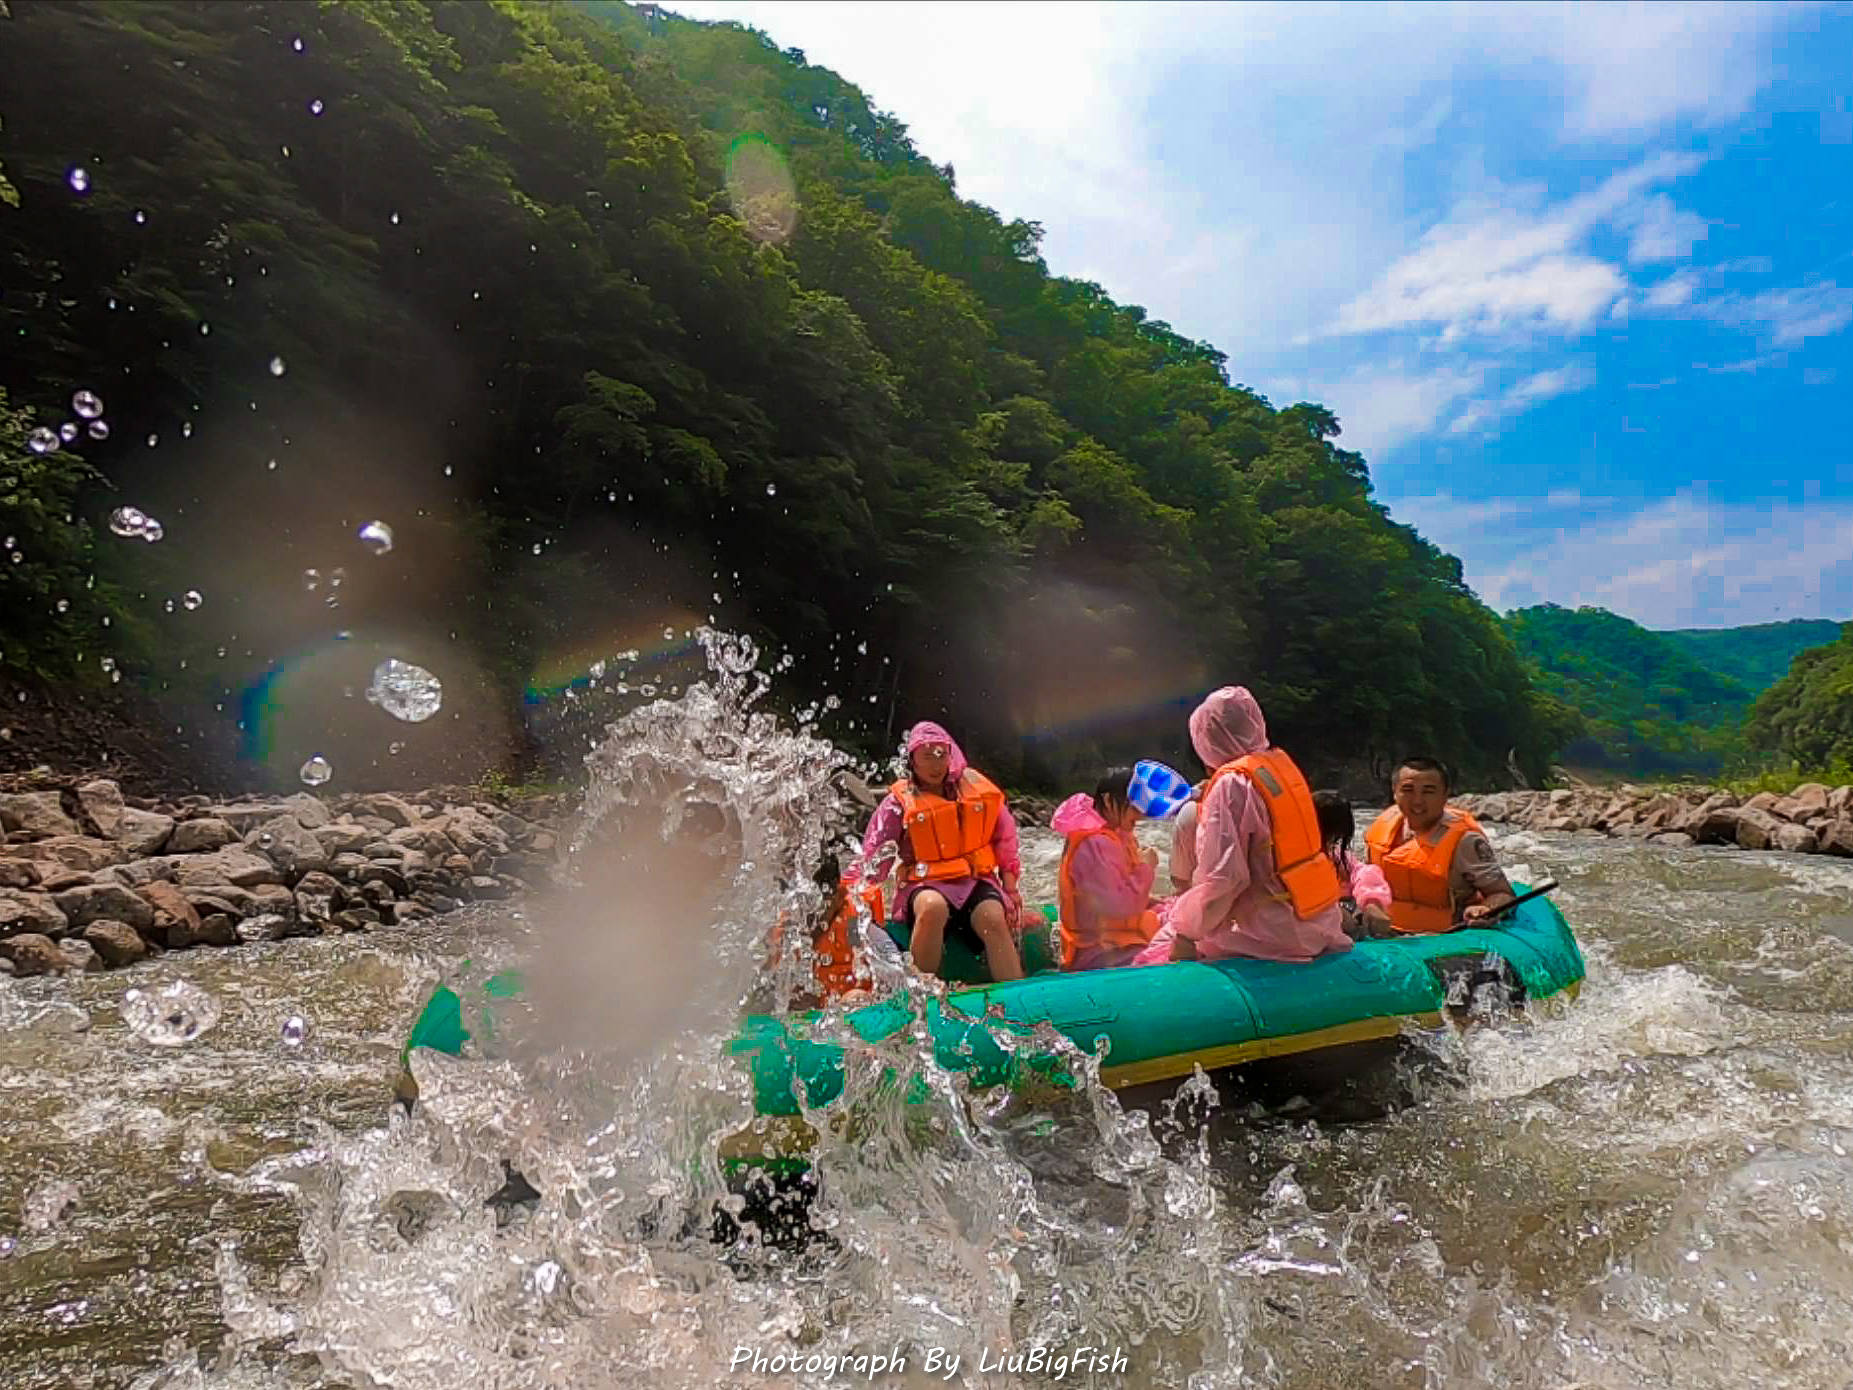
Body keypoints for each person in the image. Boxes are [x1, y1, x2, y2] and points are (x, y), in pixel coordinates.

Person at [1132, 686, 1353, 965]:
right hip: (1318, 923)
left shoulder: (1231, 784)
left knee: (1156, 950)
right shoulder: (1282, 768)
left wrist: (1186, 932)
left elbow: (1224, 879)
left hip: (1265, 935)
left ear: (1206, 739)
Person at [849, 720, 1026, 982]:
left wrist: (1010, 887)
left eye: (940, 754)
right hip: (924, 882)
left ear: (950, 755)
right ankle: (922, 993)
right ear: (913, 761)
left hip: (974, 880)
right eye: (926, 755)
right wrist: (853, 891)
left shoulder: (975, 792)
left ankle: (1015, 991)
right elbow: (876, 853)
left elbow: (1005, 838)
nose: (934, 763)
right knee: (932, 908)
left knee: (993, 917)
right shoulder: (897, 804)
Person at [1050, 763, 1188, 971]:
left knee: (1179, 910)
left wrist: (1151, 901)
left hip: (1118, 941)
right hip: (1099, 952)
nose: (1140, 814)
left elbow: (1110, 893)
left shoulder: (1114, 834)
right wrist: (1146, 868)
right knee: (1184, 948)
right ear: (1107, 800)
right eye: (1134, 805)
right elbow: (1119, 906)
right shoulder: (1096, 844)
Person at [1363, 757, 1516, 933]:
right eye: (1408, 790)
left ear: (1445, 795)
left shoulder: (1465, 841)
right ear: (1394, 792)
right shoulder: (1380, 828)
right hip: (1386, 933)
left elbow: (1504, 894)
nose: (1417, 801)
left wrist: (1487, 909)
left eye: (1428, 791)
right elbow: (1363, 880)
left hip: (1445, 937)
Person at [1312, 789, 1394, 939]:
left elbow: (1364, 872)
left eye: (1335, 837)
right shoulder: (1284, 860)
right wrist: (1335, 913)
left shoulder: (1336, 855)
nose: (1329, 842)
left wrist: (1372, 902)